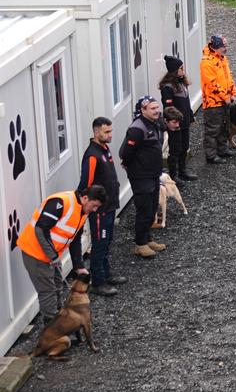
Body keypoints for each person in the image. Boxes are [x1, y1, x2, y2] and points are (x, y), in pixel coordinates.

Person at [17, 186, 107, 326]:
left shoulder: (82, 211)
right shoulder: (61, 202)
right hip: (35, 253)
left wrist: (78, 266)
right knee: (48, 291)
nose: (95, 210)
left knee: (58, 285)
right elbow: (40, 229)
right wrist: (53, 256)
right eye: (94, 206)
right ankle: (52, 329)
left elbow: (75, 240)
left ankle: (59, 320)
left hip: (50, 255)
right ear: (85, 198)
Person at [78, 118, 125, 295]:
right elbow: (85, 184)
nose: (110, 135)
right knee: (99, 244)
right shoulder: (92, 155)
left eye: (111, 131)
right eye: (106, 132)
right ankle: (98, 282)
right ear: (96, 132)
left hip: (110, 206)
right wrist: (90, 206)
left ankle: (106, 274)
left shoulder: (104, 149)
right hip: (100, 211)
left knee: (106, 242)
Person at [119, 96, 167, 259]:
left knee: (152, 207)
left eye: (157, 107)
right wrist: (129, 165)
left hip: (153, 173)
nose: (156, 111)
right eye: (152, 109)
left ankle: (147, 239)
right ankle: (140, 244)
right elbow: (126, 153)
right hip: (141, 176)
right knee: (144, 209)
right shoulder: (137, 129)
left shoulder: (155, 123)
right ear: (143, 110)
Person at [200, 34, 236, 164]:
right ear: (215, 47)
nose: (226, 48)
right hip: (213, 103)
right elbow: (212, 84)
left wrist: (233, 92)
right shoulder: (207, 62)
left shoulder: (222, 58)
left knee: (224, 127)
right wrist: (226, 97)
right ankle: (211, 155)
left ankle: (222, 149)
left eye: (226, 45)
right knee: (212, 129)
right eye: (223, 46)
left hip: (224, 100)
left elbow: (229, 77)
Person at [159, 56, 196, 182]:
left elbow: (186, 103)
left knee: (184, 147)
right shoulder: (168, 88)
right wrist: (174, 123)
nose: (183, 71)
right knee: (175, 150)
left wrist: (191, 116)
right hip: (175, 125)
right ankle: (174, 175)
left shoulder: (181, 84)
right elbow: (168, 109)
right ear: (175, 71)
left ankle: (183, 171)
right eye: (181, 68)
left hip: (184, 123)